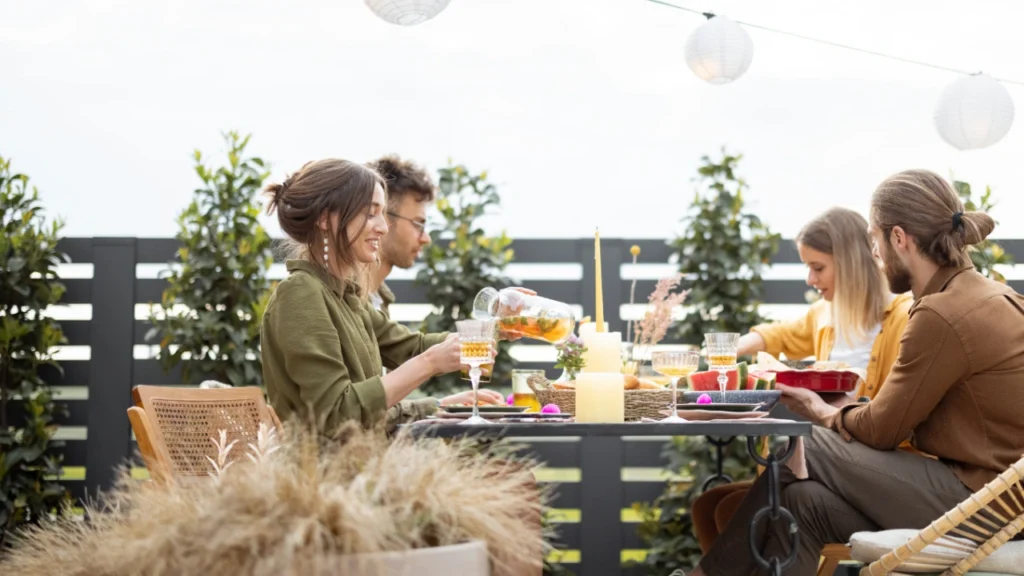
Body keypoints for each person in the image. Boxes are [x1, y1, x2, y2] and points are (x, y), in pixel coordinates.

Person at [689, 169, 1024, 576]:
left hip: (988, 508)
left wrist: (822, 410)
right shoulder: (985, 295)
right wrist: (850, 409)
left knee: (804, 442)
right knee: (801, 503)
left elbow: (884, 430)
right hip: (995, 500)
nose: (875, 255)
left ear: (898, 238)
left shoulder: (941, 312)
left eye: (874, 240)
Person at [691, 207, 913, 553]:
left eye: (818, 267)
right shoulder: (826, 315)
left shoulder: (902, 317)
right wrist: (726, 352)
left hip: (860, 467)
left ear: (851, 262)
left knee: (734, 509)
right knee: (710, 506)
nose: (810, 279)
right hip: (822, 455)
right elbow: (779, 334)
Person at [259, 158, 500, 438]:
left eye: (383, 213)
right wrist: (431, 363)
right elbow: (336, 411)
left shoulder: (345, 296)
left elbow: (412, 347)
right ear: (325, 218)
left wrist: (504, 324)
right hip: (327, 478)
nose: (383, 227)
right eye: (370, 213)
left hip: (366, 468)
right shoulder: (301, 294)